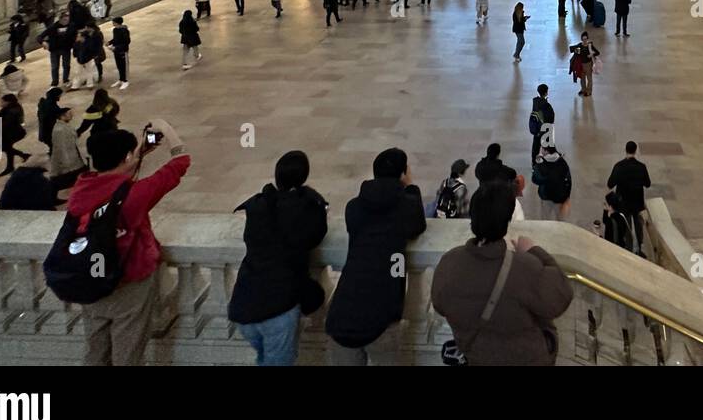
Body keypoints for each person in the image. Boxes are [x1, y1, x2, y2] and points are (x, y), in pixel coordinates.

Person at [70, 120, 190, 365]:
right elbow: (180, 162)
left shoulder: (81, 189)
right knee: (128, 353)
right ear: (125, 157)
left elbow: (114, 179)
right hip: (128, 283)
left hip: (89, 280)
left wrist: (138, 153)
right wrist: (167, 129)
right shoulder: (136, 195)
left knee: (96, 350)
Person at [430, 181, 574, 366]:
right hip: (527, 358)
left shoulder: (449, 263)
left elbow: (440, 305)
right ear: (506, 222)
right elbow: (562, 295)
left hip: (477, 355)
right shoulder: (525, 267)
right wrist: (535, 251)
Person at [325, 147, 426, 365]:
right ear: (403, 174)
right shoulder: (405, 207)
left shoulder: (353, 207)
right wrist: (411, 188)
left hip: (342, 312)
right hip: (381, 315)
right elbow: (417, 224)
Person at [228, 150, 329, 366]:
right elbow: (315, 235)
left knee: (264, 359)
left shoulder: (258, 206)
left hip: (243, 304)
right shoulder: (306, 208)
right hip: (277, 309)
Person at [607, 141, 651, 256]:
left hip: (623, 204)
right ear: (635, 151)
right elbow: (647, 184)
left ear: (625, 150)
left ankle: (628, 249)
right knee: (638, 226)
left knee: (626, 227)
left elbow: (610, 184)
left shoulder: (619, 166)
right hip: (637, 203)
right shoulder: (641, 167)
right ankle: (639, 248)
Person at [532, 131, 572, 220]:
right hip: (560, 197)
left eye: (541, 148)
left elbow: (535, 179)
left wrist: (537, 164)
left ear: (545, 150)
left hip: (546, 196)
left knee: (546, 221)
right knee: (560, 221)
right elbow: (568, 180)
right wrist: (567, 197)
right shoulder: (562, 162)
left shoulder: (542, 164)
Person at [48, 103, 86, 193]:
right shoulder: (60, 130)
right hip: (67, 158)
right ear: (62, 116)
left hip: (71, 156)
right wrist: (67, 162)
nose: (72, 116)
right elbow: (61, 147)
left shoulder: (62, 126)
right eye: (69, 114)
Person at [0, 93, 30, 177]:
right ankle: (20, 158)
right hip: (9, 132)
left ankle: (15, 163)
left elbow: (5, 124)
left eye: (2, 101)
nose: (1, 103)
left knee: (6, 148)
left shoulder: (12, 111)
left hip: (14, 133)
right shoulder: (7, 108)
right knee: (7, 148)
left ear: (8, 102)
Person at [529, 83, 555, 165]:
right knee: (548, 146)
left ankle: (534, 163)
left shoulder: (535, 102)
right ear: (546, 92)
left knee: (535, 147)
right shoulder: (546, 105)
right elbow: (550, 118)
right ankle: (550, 162)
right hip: (544, 129)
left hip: (536, 129)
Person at [570, 32, 600, 97]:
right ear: (581, 39)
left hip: (588, 64)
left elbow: (597, 52)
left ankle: (589, 91)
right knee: (582, 79)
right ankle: (583, 90)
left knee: (589, 79)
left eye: (586, 39)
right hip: (581, 65)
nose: (585, 41)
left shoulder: (590, 45)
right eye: (583, 39)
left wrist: (592, 54)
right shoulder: (580, 46)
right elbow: (576, 54)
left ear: (587, 39)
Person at [108, 17, 131, 90]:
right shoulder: (115, 30)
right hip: (116, 51)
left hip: (123, 51)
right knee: (119, 65)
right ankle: (121, 79)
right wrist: (110, 42)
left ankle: (125, 81)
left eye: (114, 22)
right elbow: (115, 39)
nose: (113, 23)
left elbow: (126, 42)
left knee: (124, 66)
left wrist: (117, 47)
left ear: (117, 22)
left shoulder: (124, 31)